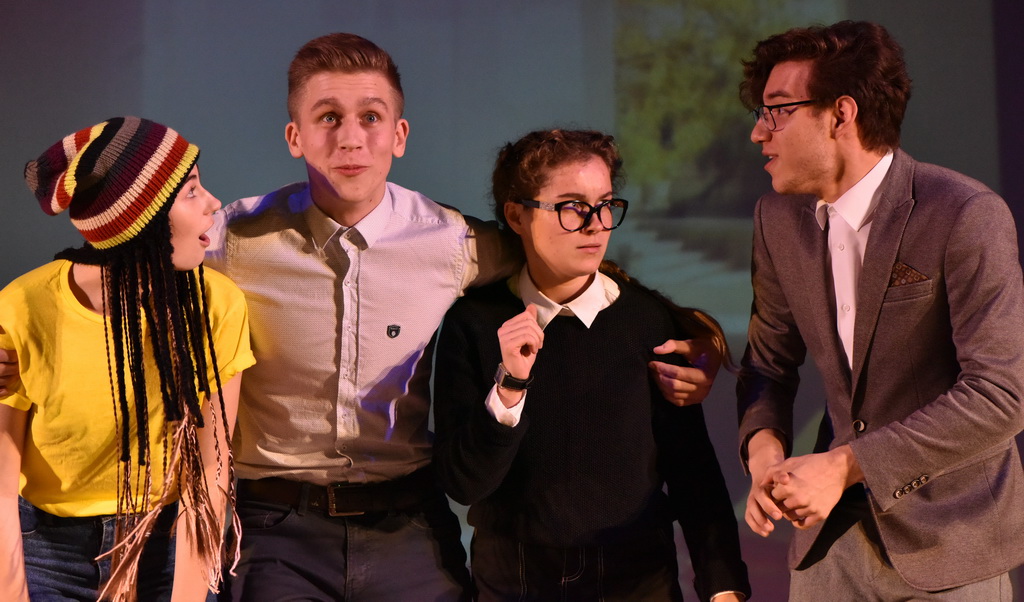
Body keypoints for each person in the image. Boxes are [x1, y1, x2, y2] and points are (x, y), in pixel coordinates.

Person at [0, 33, 724, 600]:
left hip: (406, 522)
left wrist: (699, 332)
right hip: (274, 526)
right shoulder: (233, 238)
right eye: (328, 118)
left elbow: (567, 255)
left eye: (371, 118)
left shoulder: (455, 243)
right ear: (295, 137)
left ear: (399, 135)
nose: (351, 138)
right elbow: (126, 254)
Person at [736, 20, 1024, 600]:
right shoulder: (777, 219)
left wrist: (845, 465)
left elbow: (999, 395)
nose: (758, 132)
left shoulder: (964, 213)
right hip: (829, 544)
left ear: (841, 114)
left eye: (777, 111)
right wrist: (765, 456)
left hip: (951, 539)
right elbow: (768, 363)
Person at [432, 129, 751, 601]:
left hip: (637, 578)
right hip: (516, 579)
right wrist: (510, 384)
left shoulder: (646, 321)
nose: (596, 225)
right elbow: (464, 483)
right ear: (517, 216)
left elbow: (693, 472)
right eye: (572, 207)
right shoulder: (474, 323)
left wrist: (723, 586)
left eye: (604, 205)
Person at [0, 117, 255, 602]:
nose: (213, 203)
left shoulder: (215, 305)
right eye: (191, 192)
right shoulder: (23, 307)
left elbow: (210, 472)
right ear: (140, 223)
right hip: (49, 550)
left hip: (167, 539)